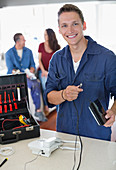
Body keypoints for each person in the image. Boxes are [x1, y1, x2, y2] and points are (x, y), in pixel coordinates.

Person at [45, 4, 116, 141]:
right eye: (64, 25)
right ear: (59, 30)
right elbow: (49, 98)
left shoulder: (107, 58)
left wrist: (113, 111)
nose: (70, 30)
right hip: (65, 134)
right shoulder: (56, 59)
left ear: (83, 25)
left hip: (96, 135)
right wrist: (63, 94)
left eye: (75, 24)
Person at [5, 33, 47, 122]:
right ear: (18, 41)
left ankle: (38, 110)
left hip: (29, 76)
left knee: (35, 83)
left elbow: (32, 64)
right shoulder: (9, 53)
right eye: (23, 40)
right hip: (16, 77)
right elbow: (10, 69)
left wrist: (31, 70)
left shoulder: (28, 51)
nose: (25, 41)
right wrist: (21, 73)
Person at [38, 28, 60, 115]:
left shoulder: (57, 46)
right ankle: (47, 106)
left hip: (53, 72)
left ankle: (58, 106)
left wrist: (50, 73)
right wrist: (43, 71)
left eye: (46, 34)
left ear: (50, 35)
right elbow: (39, 60)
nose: (44, 36)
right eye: (44, 34)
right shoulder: (41, 45)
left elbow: (58, 63)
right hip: (43, 71)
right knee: (45, 86)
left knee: (57, 86)